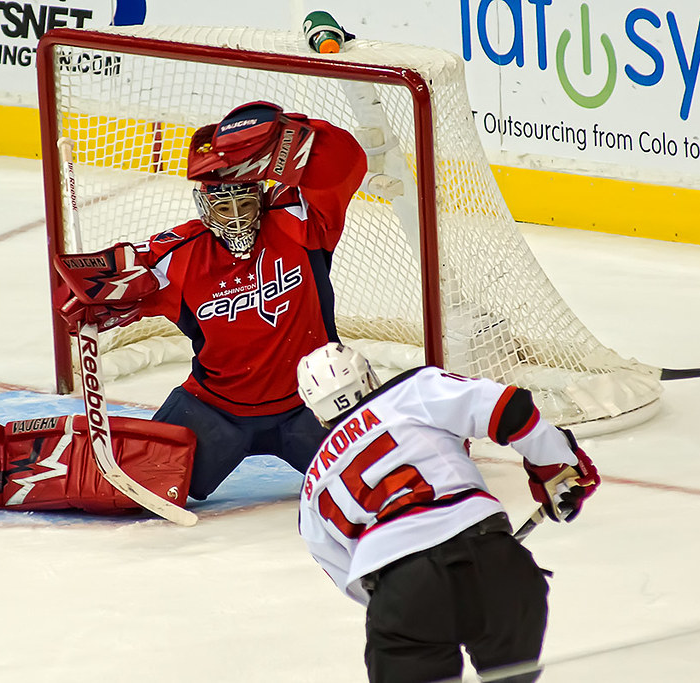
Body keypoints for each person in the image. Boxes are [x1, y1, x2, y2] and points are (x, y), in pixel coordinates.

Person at [54, 101, 367, 501]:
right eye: (223, 204)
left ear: (260, 194)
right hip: (215, 410)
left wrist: (285, 136)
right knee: (140, 491)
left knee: (375, 479)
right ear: (204, 206)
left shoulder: (297, 220)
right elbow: (88, 285)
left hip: (311, 402)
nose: (236, 214)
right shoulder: (178, 255)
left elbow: (346, 160)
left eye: (245, 201)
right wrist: (86, 302)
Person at [295, 343, 601, 683]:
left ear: (316, 412)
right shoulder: (411, 391)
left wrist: (413, 600)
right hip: (496, 565)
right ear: (369, 378)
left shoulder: (312, 488)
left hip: (404, 594)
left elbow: (350, 577)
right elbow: (508, 408)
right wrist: (557, 466)